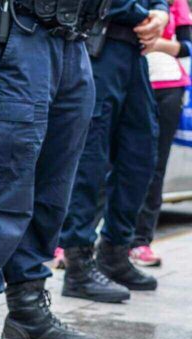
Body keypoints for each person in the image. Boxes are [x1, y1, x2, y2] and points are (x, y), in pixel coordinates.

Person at [0, 0, 107, 339]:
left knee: (54, 187)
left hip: (75, 39)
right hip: (20, 28)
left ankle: (27, 309)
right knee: (3, 183)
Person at [60, 0, 169, 301]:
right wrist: (145, 15)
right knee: (90, 162)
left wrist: (161, 12)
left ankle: (115, 252)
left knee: (141, 155)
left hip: (134, 54)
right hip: (98, 47)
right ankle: (78, 265)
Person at [131, 0, 192, 266]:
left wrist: (157, 44)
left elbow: (187, 46)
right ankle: (78, 242)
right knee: (108, 162)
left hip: (167, 87)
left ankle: (141, 241)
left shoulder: (176, 3)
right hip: (126, 79)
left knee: (155, 166)